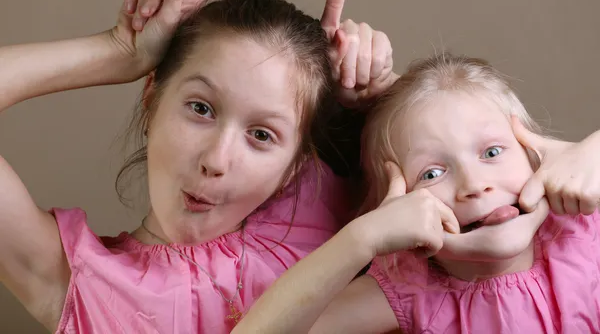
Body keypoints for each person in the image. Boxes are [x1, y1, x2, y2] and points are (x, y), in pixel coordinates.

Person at [0, 0, 398, 332]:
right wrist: (119, 51)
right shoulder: (75, 279)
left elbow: (454, 203)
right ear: (152, 98)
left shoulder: (326, 221)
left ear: (295, 167)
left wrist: (380, 96)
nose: (215, 160)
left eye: (261, 135)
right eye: (201, 108)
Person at [233, 52, 600, 333]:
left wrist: (594, 150)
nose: (474, 185)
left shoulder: (583, 232)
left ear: (534, 155)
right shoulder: (412, 289)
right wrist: (364, 238)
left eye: (492, 152)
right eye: (432, 173)